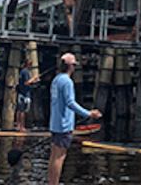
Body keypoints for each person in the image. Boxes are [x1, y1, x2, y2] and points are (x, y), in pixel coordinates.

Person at [48, 52, 101, 185]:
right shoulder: (67, 81)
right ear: (71, 66)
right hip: (63, 125)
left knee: (54, 156)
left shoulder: (56, 80)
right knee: (60, 157)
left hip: (54, 123)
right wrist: (89, 114)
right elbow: (70, 103)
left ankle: (51, 182)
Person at [15, 57, 39, 132]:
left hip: (21, 93)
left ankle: (18, 126)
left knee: (19, 110)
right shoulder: (25, 72)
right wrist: (34, 78)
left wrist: (34, 81)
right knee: (23, 111)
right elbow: (26, 83)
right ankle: (22, 127)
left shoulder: (22, 71)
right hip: (24, 94)